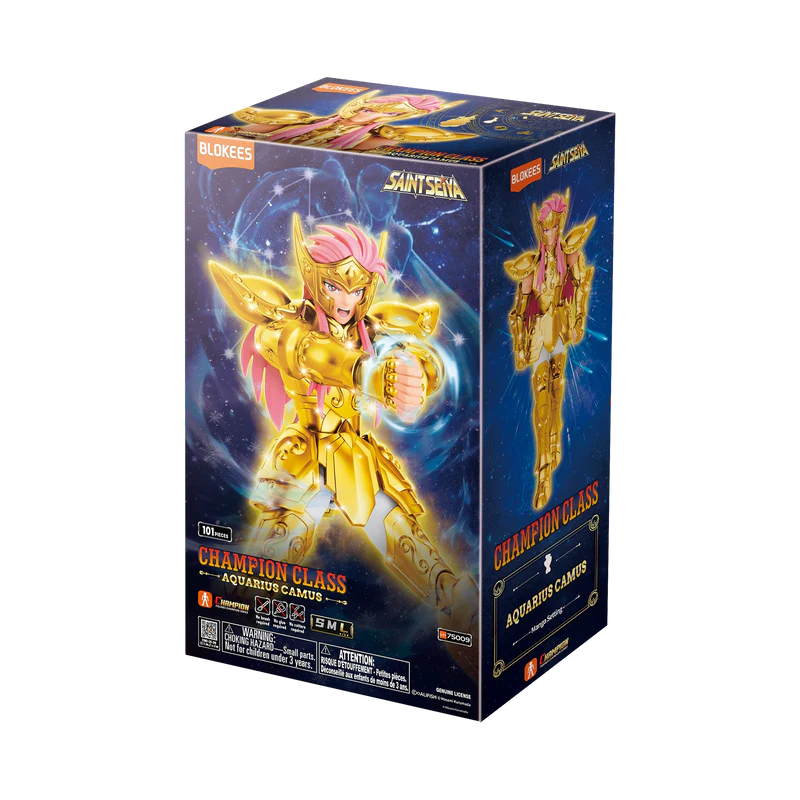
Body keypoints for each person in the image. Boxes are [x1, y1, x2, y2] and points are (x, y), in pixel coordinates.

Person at [209, 213, 478, 679]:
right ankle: (227, 636)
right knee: (264, 564)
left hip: (355, 456)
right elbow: (313, 355)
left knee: (426, 563)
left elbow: (414, 350)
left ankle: (467, 628)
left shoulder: (368, 327)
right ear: (315, 280)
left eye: (356, 290)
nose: (345, 301)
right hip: (306, 455)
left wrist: (419, 372)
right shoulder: (288, 326)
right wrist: (367, 374)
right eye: (334, 287)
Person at [505, 192, 596, 510]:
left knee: (557, 391)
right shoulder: (531, 266)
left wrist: (579, 319)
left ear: (560, 224)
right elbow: (519, 313)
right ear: (538, 228)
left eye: (553, 227)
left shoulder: (568, 254)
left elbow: (581, 285)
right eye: (543, 229)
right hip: (540, 334)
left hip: (560, 329)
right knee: (542, 398)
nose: (548, 233)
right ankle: (543, 466)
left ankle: (554, 442)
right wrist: (520, 345)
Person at [207, 91, 477, 151]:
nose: (363, 112)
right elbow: (245, 125)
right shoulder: (304, 119)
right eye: (366, 107)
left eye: (375, 111)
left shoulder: (370, 138)